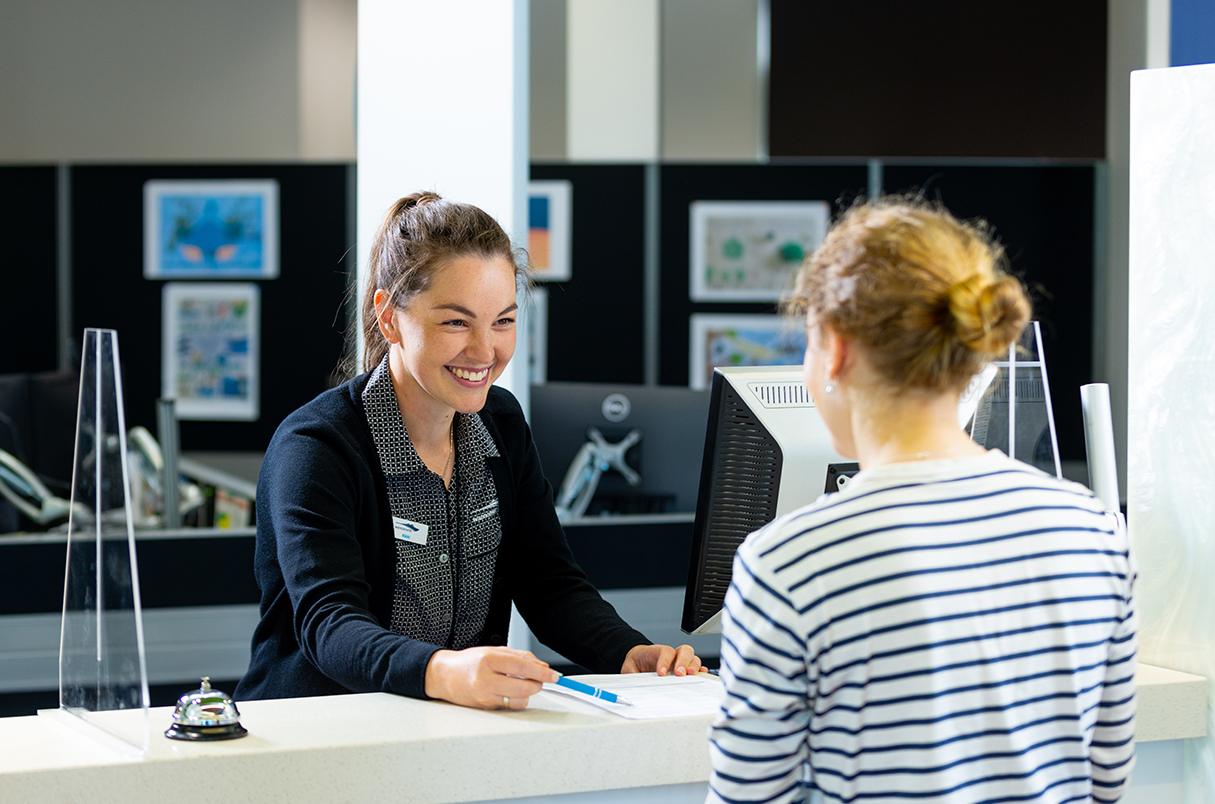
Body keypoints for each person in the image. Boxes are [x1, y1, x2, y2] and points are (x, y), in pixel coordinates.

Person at [707, 199, 1136, 803]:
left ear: (836, 348)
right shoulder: (1094, 531)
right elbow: (1107, 783)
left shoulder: (787, 562)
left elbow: (749, 797)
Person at [236, 191, 703, 710]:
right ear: (389, 318)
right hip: (314, 735)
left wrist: (627, 651)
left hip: (444, 733)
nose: (485, 351)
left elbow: (551, 587)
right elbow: (331, 626)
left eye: (503, 321)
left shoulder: (500, 425)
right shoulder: (318, 447)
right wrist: (444, 671)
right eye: (457, 322)